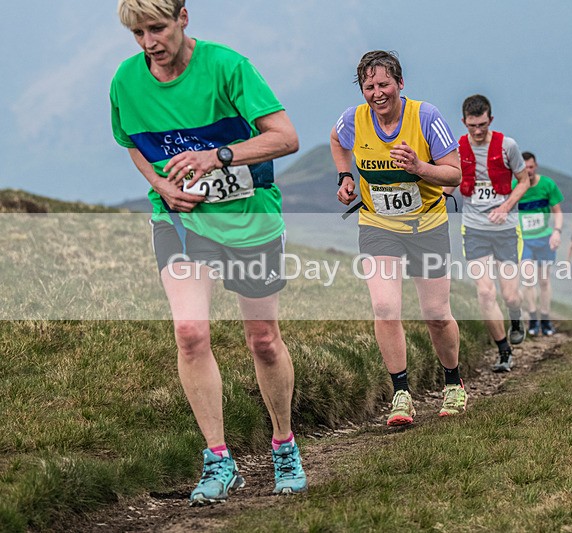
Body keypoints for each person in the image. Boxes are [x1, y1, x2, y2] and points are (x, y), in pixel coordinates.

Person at [111, 0, 306, 503]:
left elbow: (285, 138)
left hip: (248, 217)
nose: (150, 43)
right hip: (179, 219)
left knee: (262, 340)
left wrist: (216, 155)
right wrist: (161, 184)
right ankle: (218, 459)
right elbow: (132, 140)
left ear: (183, 17)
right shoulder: (126, 81)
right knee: (190, 333)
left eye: (157, 28)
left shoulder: (227, 66)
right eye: (138, 33)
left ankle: (284, 442)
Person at [331, 50, 466, 426]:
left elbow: (454, 175)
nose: (377, 93)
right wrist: (345, 178)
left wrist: (419, 167)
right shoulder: (353, 120)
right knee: (386, 308)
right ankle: (401, 394)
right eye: (369, 86)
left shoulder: (425, 117)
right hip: (378, 226)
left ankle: (453, 383)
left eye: (384, 84)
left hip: (427, 225)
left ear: (400, 84)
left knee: (436, 314)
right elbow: (336, 140)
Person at [443, 95, 529, 373]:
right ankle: (504, 351)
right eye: (472, 126)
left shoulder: (508, 146)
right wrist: (436, 202)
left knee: (511, 295)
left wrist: (506, 206)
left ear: (490, 120)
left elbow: (524, 181)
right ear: (464, 122)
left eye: (482, 124)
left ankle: (515, 317)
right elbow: (451, 181)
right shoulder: (457, 147)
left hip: (505, 230)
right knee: (485, 293)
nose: (477, 131)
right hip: (475, 229)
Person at [516, 152, 563, 336]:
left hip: (544, 238)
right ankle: (533, 318)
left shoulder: (547, 185)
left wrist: (557, 232)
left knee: (544, 281)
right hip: (524, 240)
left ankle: (545, 319)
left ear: (535, 166)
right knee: (528, 280)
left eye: (531, 167)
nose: (528, 170)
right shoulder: (515, 186)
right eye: (524, 167)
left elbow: (558, 211)